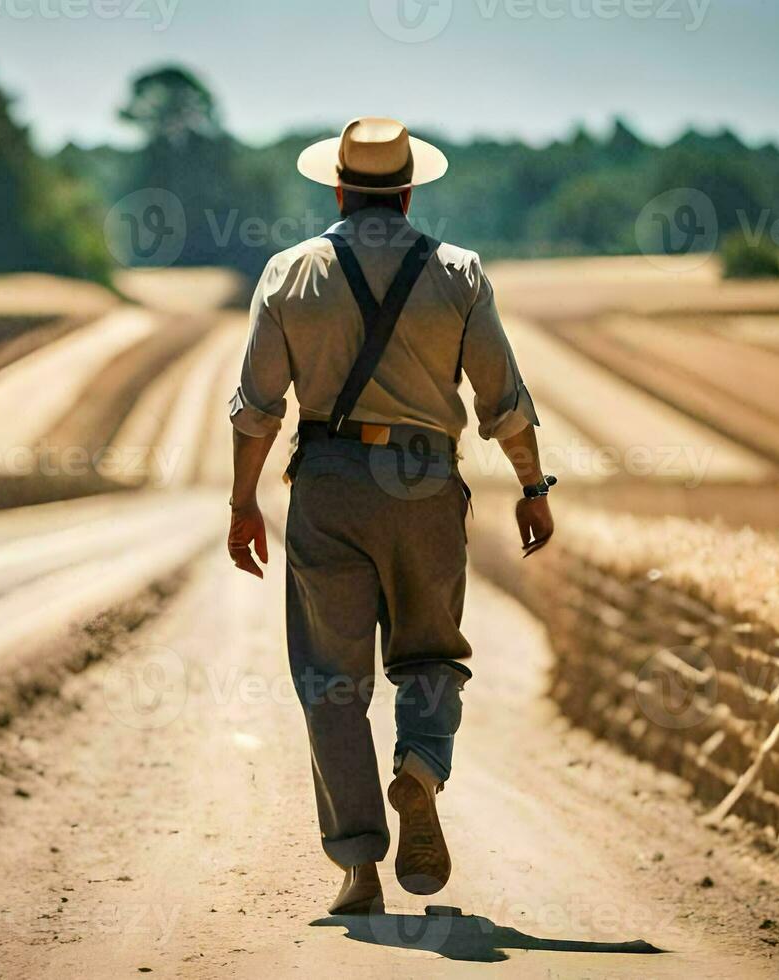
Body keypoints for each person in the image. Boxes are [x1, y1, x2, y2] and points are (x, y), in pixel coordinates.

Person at [225, 117, 556, 915]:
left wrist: (242, 503)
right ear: (408, 189)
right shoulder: (459, 273)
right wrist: (534, 487)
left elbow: (256, 410)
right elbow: (501, 399)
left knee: (331, 684)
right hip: (425, 482)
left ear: (338, 187)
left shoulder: (289, 273)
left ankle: (358, 869)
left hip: (329, 483)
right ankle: (420, 768)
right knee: (432, 653)